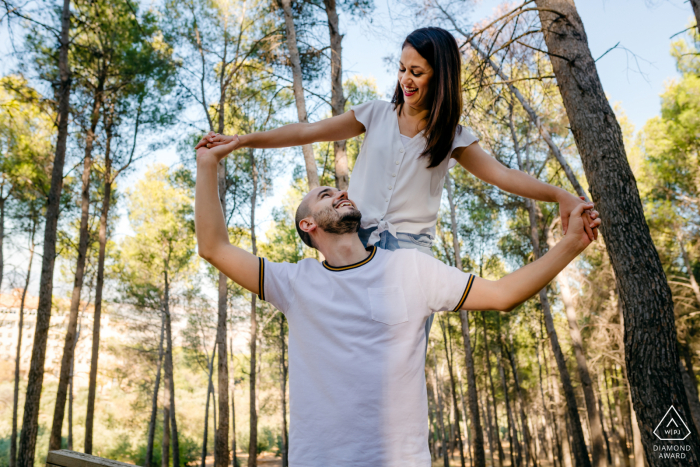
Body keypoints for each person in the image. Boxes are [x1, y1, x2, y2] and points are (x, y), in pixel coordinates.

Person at [195, 138, 601, 466]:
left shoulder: (412, 269)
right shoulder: (295, 283)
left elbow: (502, 295)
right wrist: (208, 165)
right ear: (308, 224)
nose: (340, 192)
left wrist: (572, 244)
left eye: (340, 190)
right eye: (325, 193)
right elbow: (213, 247)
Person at [195, 26, 599, 340]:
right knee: (345, 335)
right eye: (402, 69)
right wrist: (242, 141)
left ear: (440, 77)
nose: (406, 79)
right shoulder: (374, 114)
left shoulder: (453, 137)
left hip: (409, 254)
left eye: (417, 72)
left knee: (395, 347)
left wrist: (560, 195)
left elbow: (503, 176)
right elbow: (308, 131)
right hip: (356, 243)